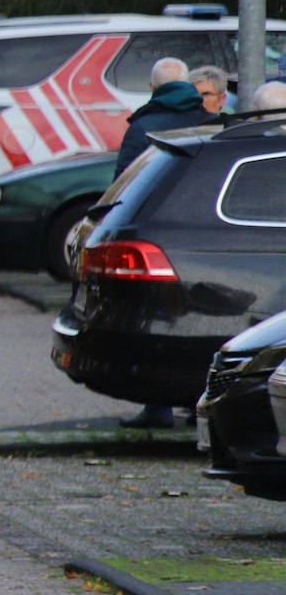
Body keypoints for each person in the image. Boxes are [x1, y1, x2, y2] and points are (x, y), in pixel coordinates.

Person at [113, 57, 203, 430]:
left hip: (160, 237)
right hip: (209, 236)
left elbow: (124, 184)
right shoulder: (210, 121)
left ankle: (158, 407)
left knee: (160, 320)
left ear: (153, 88)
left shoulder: (143, 126)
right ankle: (201, 407)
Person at [114, 57, 203, 178]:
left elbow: (125, 182)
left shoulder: (140, 128)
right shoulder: (215, 124)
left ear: (153, 88)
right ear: (188, 85)